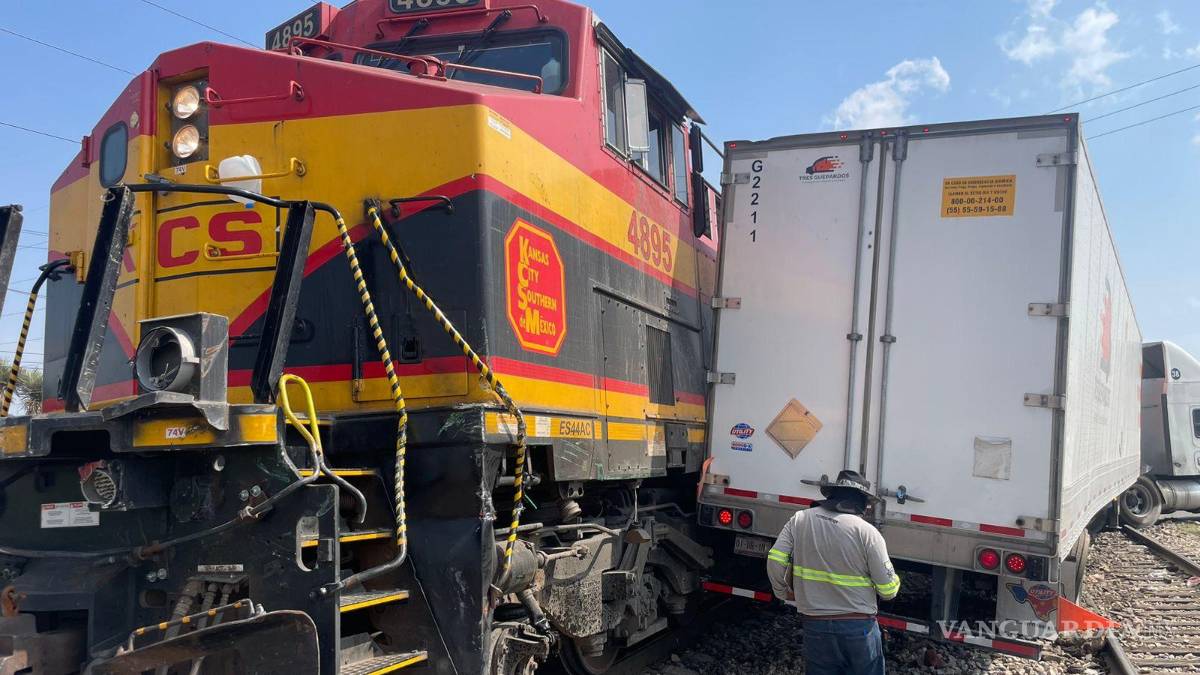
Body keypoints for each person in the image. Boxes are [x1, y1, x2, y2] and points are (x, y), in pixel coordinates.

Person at [766, 470, 900, 675]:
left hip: (815, 624)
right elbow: (888, 591)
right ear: (862, 502)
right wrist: (895, 580)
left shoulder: (800, 519)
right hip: (858, 627)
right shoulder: (867, 532)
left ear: (832, 494)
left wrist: (782, 592)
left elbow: (775, 560)